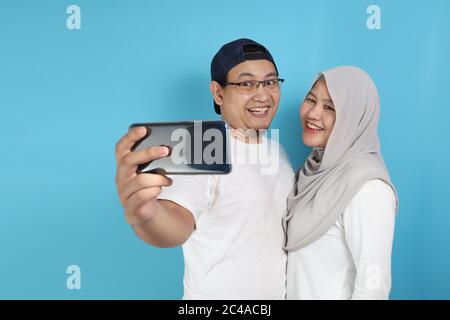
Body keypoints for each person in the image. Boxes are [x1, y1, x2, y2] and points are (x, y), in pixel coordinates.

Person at [114, 38, 294, 299]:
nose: (263, 94)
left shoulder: (277, 150)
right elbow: (177, 222)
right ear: (218, 93)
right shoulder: (203, 149)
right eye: (246, 83)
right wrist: (146, 214)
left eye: (270, 82)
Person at [283, 66, 398, 300]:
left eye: (330, 107)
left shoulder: (368, 188)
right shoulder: (312, 173)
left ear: (354, 118)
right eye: (311, 100)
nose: (313, 113)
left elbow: (373, 287)